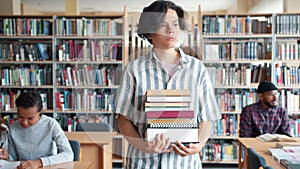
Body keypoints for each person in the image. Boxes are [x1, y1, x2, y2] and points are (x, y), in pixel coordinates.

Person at [114, 1, 221, 168]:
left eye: (175, 24)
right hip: (144, 163)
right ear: (149, 32)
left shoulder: (197, 68)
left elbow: (207, 117)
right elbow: (123, 119)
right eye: (163, 25)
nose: (171, 30)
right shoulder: (134, 69)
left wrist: (199, 144)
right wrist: (144, 146)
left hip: (184, 164)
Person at [0, 92, 73, 169]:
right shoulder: (12, 128)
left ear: (40, 112)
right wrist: (8, 157)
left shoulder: (51, 124)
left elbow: (68, 154)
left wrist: (39, 162)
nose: (24, 122)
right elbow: (14, 159)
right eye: (20, 117)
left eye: (30, 118)